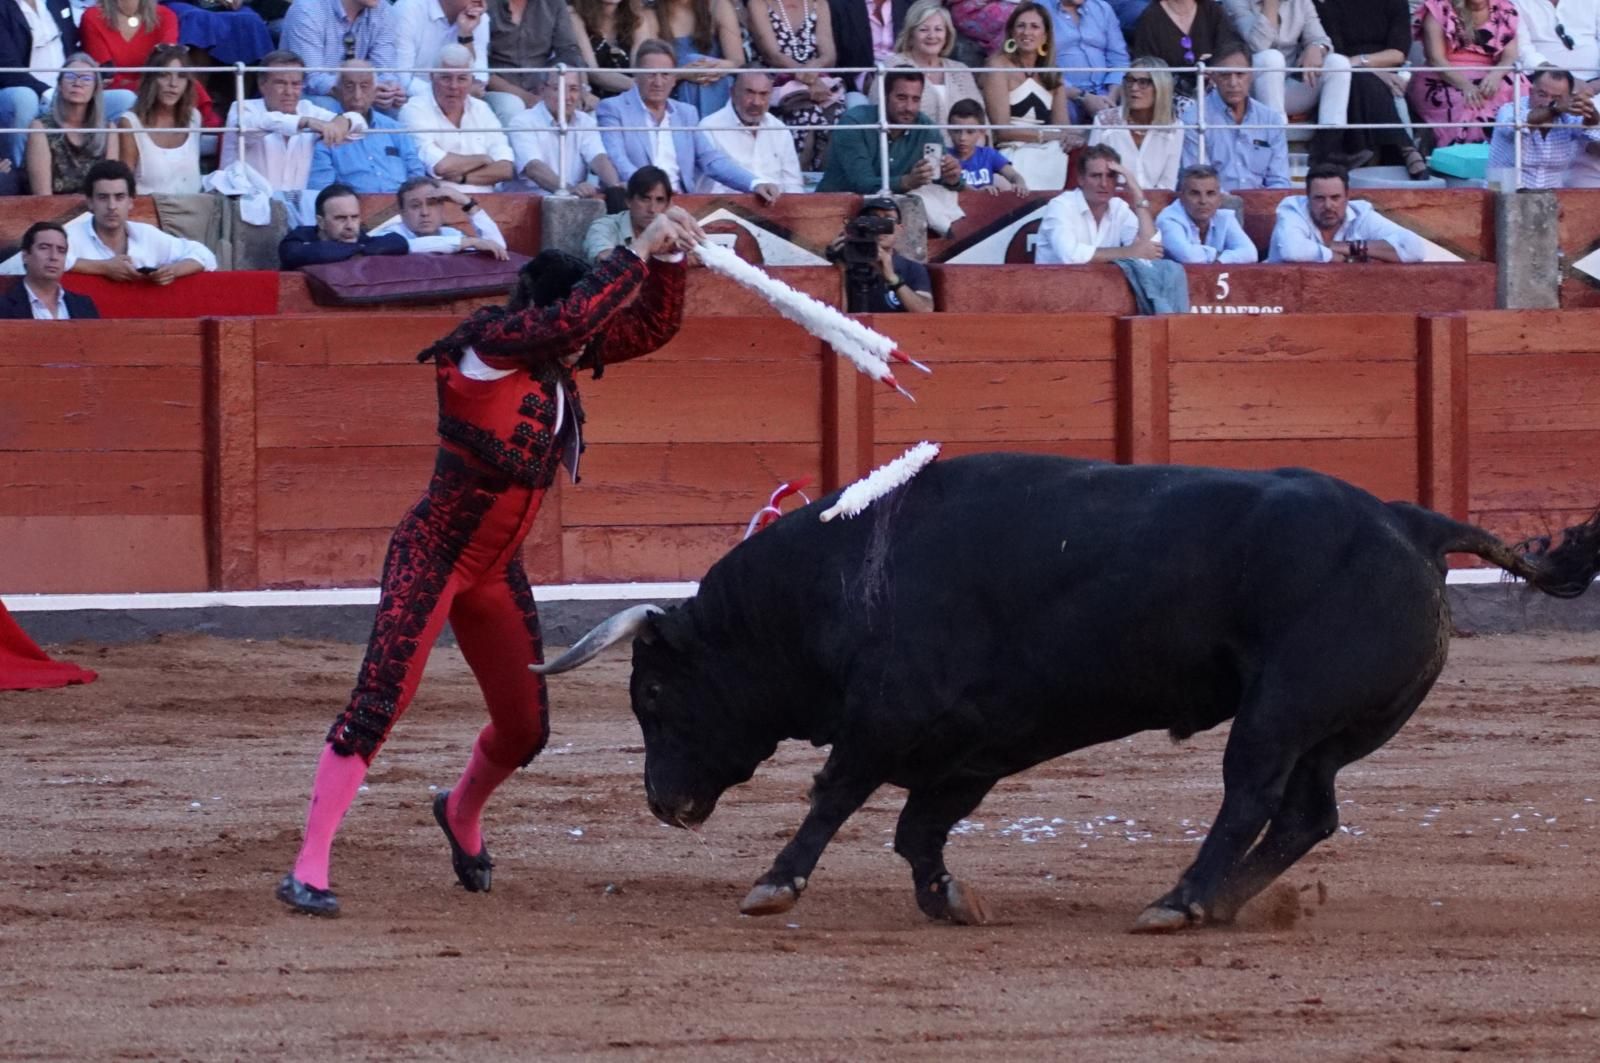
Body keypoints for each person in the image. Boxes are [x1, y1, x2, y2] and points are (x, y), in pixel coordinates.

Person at [274, 204, 704, 919]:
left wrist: (669, 259)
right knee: (379, 700)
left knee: (526, 729)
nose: (586, 342)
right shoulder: (489, 345)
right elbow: (573, 320)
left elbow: (650, 326)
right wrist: (634, 249)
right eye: (574, 326)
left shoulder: (557, 354)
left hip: (496, 571)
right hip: (433, 555)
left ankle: (461, 809)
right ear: (544, 312)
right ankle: (308, 866)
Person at [596, 39, 779, 200]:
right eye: (651, 74)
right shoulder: (613, 108)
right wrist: (653, 191)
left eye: (665, 74)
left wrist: (754, 183)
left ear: (674, 78)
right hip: (636, 202)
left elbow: (711, 160)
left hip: (682, 202)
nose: (658, 82)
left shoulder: (686, 113)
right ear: (636, 75)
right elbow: (617, 159)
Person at [1222, 0, 1351, 167]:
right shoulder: (1236, 2)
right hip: (1251, 89)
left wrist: (1316, 48)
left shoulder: (1301, 2)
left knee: (1338, 63)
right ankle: (1276, 144)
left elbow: (1322, 40)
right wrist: (1271, 6)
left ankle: (1328, 152)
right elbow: (1258, 45)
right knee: (1271, 58)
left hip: (1289, 85)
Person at [1311, 0, 1428, 179]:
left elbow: (1398, 53)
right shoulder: (1329, 4)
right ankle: (1405, 147)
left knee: (1368, 81)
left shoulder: (1395, 3)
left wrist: (1363, 63)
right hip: (1345, 71)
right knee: (1360, 79)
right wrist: (1374, 72)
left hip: (1387, 71)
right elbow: (1337, 53)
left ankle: (1363, 149)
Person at [220, 50, 366, 193]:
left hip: (292, 206)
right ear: (262, 84)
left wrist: (342, 121)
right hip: (242, 204)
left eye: (295, 84)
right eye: (280, 83)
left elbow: (359, 124)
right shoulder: (242, 108)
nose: (289, 92)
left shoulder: (307, 108)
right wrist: (304, 121)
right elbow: (258, 123)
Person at [64, 160, 218, 281]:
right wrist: (104, 268)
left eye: (119, 197)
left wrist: (172, 271)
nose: (112, 206)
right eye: (103, 197)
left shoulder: (146, 234)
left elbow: (204, 255)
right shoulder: (70, 236)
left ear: (131, 202)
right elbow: (51, 261)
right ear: (90, 202)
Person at [981, 2, 1076, 191]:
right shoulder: (997, 66)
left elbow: (1063, 128)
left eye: (1034, 27)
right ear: (1011, 32)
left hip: (1048, 149)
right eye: (1021, 26)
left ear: (1045, 35)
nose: (1027, 32)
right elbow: (1002, 131)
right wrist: (1046, 135)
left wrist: (1069, 138)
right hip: (1012, 150)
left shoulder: (1053, 72)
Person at [818, 69, 963, 192]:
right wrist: (906, 182)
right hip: (838, 206)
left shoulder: (925, 128)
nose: (909, 107)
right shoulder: (854, 123)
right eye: (901, 98)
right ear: (885, 96)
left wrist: (952, 179)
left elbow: (944, 180)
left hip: (895, 209)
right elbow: (862, 184)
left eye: (915, 99)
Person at [399, 43, 516, 195]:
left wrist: (463, 177)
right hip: (439, 202)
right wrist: (484, 159)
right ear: (432, 77)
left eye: (461, 79)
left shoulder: (482, 109)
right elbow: (440, 166)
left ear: (472, 80)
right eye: (446, 78)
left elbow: (505, 169)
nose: (454, 86)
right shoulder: (414, 110)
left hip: (488, 202)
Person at [1409, 0, 1522, 147]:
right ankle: (1467, 155)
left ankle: (1510, 155)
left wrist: (1496, 74)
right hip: (1445, 75)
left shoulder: (1504, 8)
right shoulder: (1438, 8)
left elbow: (1510, 57)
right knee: (1469, 105)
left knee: (1518, 98)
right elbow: (1436, 59)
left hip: (1491, 73)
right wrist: (1466, 86)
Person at [748, 0, 846, 168]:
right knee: (805, 113)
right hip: (775, 83)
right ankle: (795, 177)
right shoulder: (759, 3)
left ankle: (824, 180)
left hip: (819, 82)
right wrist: (810, 79)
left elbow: (829, 55)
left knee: (835, 112)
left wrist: (813, 72)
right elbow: (772, 55)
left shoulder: (819, 4)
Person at [307, 60, 429, 195]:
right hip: (354, 206)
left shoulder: (395, 129)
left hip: (400, 204)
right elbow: (321, 192)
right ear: (336, 92)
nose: (357, 96)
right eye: (349, 87)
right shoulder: (328, 135)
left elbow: (416, 174)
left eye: (364, 86)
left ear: (375, 92)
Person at [1179, 44, 1291, 189]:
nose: (1233, 83)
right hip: (1213, 202)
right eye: (1225, 75)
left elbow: (1280, 181)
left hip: (1263, 201)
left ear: (1251, 75)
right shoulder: (1194, 118)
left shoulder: (1271, 119)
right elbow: (1199, 185)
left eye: (1240, 74)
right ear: (1213, 77)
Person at [1267, 161, 1424, 261]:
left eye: (1335, 198)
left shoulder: (1360, 214)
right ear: (1307, 197)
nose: (1328, 205)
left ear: (1347, 197)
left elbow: (1414, 247)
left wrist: (1344, 247)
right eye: (1319, 198)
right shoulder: (1292, 209)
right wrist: (1334, 256)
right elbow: (1293, 251)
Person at [1035, 142, 1160, 263]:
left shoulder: (1118, 207)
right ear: (1081, 179)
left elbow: (1151, 251)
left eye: (1110, 176)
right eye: (1096, 176)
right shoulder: (1061, 206)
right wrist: (1129, 252)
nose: (1104, 184)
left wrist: (1137, 193)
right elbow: (1071, 256)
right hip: (1057, 278)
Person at [508, 68, 621, 196]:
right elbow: (533, 168)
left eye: (573, 89)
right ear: (542, 90)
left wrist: (615, 186)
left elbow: (598, 158)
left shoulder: (585, 121)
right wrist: (569, 190)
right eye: (558, 89)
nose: (567, 97)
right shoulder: (523, 121)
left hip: (573, 199)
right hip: (529, 201)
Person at [0, 0, 82, 173]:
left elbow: (73, 48)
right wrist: (47, 92)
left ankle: (110, 179)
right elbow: (7, 66)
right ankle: (21, 173)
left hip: (68, 86)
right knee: (25, 98)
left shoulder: (58, 2)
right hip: (21, 90)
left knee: (124, 100)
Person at [280, 0, 405, 113]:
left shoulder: (384, 10)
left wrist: (390, 89)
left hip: (359, 93)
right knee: (331, 107)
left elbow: (385, 70)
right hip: (310, 95)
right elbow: (312, 78)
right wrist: (362, 89)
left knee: (394, 107)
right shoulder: (307, 9)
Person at [882, 0, 982, 142]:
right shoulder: (892, 66)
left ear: (947, 34)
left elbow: (982, 121)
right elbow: (880, 117)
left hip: (963, 153)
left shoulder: (961, 70)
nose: (932, 36)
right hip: (912, 152)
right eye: (924, 30)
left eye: (938, 29)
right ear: (911, 34)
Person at [1487, 65, 1600, 187]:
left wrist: (1589, 109)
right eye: (1542, 95)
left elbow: (1591, 128)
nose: (1547, 102)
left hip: (1551, 196)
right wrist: (1555, 108)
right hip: (1505, 192)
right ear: (1531, 92)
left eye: (1556, 98)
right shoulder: (1509, 110)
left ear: (1568, 98)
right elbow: (1519, 125)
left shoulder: (1567, 117)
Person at [695, 71, 804, 195]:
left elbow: (793, 184)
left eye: (763, 94)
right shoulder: (709, 128)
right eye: (749, 92)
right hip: (728, 205)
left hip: (776, 204)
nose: (756, 102)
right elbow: (710, 188)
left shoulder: (779, 129)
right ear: (733, 93)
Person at [116, 44, 203, 195]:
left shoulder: (194, 117)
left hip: (193, 206)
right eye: (165, 75)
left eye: (181, 76)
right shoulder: (130, 123)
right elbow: (124, 186)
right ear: (151, 79)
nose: (173, 84)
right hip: (149, 207)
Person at [26, 55, 118, 197]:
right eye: (70, 76)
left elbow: (111, 187)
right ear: (59, 84)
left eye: (86, 79)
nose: (77, 83)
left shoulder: (108, 129)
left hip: (98, 208)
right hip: (52, 208)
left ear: (95, 88)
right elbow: (42, 196)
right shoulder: (40, 128)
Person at [1088, 57, 1183, 192]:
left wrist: (1144, 202)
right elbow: (1093, 174)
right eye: (1130, 80)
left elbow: (1168, 184)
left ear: (1160, 87)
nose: (1133, 88)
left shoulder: (1174, 127)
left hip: (1157, 201)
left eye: (1143, 82)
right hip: (1113, 199)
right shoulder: (1104, 121)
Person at [483, 0, 586, 124]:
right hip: (496, 90)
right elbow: (479, 65)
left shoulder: (553, 4)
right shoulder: (486, 4)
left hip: (543, 87)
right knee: (511, 106)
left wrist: (580, 89)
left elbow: (569, 51)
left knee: (584, 112)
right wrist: (525, 97)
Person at [826, 195, 934, 311]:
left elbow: (925, 311)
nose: (880, 228)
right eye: (873, 220)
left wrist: (893, 279)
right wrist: (840, 269)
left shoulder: (912, 269)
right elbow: (835, 315)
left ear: (899, 229)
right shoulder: (846, 264)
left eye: (888, 221)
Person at [279, 181, 411, 269]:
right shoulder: (298, 238)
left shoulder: (357, 237)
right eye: (340, 218)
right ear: (321, 222)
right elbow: (307, 253)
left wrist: (357, 248)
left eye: (354, 217)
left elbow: (399, 242)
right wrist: (359, 250)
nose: (350, 225)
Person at [370, 175, 509, 255]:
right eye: (415, 206)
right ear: (402, 212)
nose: (425, 213)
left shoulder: (451, 234)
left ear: (442, 208)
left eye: (431, 204)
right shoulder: (388, 235)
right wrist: (470, 242)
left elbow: (498, 248)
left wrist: (467, 203)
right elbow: (408, 246)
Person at [1132, 0, 1246, 97]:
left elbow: (1231, 50)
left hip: (1214, 89)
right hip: (1170, 95)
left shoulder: (1212, 10)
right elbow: (1147, 65)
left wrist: (1216, 70)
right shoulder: (1150, 18)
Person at [77, 0, 172, 116]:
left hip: (156, 94)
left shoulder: (166, 16)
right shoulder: (92, 17)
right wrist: (147, 84)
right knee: (126, 99)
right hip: (113, 97)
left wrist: (141, 85)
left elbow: (165, 71)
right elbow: (107, 77)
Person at [655, 0, 742, 118]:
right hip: (671, 95)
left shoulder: (718, 5)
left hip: (715, 85)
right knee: (691, 65)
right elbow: (645, 73)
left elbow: (738, 62)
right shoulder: (651, 15)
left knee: (698, 65)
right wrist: (682, 74)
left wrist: (710, 67)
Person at [1156, 162, 1259, 262]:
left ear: (1220, 198)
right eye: (1195, 193)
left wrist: (1219, 260)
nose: (1203, 201)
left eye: (1210, 193)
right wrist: (1220, 256)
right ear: (1182, 197)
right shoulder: (1167, 220)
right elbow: (1189, 257)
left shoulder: (1225, 217)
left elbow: (1250, 253)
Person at [394, 0, 491, 102]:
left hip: (462, 102)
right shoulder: (409, 8)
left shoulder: (478, 17)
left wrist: (466, 35)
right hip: (411, 100)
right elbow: (402, 79)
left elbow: (479, 83)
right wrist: (455, 92)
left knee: (502, 103)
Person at [1050, 0, 1130, 123]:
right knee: (1065, 110)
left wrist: (1111, 97)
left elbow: (1119, 59)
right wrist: (1082, 96)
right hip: (1065, 93)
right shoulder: (1040, 9)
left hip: (1106, 93)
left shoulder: (1102, 9)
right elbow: (1039, 65)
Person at [0, 222, 99, 319]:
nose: (54, 256)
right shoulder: (4, 306)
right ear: (25, 256)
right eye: (44, 248)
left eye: (61, 250)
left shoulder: (83, 305)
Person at [569, 0, 658, 100]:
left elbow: (641, 67)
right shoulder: (574, 16)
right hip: (593, 101)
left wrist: (646, 85)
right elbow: (593, 72)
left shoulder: (636, 17)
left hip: (632, 100)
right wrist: (643, 86)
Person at [583, 164, 671, 260]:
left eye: (660, 200)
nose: (652, 209)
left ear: (667, 205)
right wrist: (647, 240)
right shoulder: (603, 226)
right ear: (628, 201)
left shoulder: (673, 229)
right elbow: (607, 263)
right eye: (645, 199)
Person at [947, 97, 1028, 191]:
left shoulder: (988, 154)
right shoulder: (945, 156)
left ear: (982, 131)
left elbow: (1014, 175)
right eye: (956, 131)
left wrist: (1020, 184)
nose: (962, 138)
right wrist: (978, 193)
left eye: (970, 132)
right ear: (949, 131)